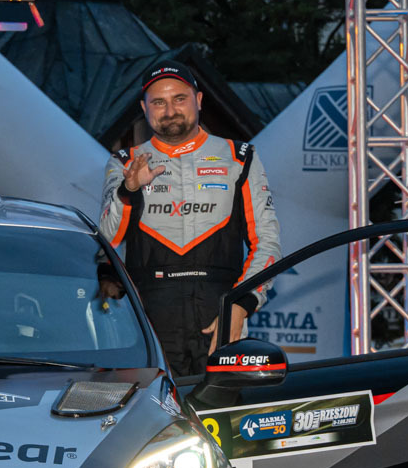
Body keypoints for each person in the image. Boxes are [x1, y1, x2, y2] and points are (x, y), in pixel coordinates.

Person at [99, 63, 279, 377]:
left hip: (220, 307)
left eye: (179, 99)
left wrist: (241, 305)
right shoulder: (125, 162)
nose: (170, 111)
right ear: (144, 108)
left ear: (198, 99)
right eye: (159, 102)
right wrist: (129, 190)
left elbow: (267, 241)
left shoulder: (240, 157)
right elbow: (106, 241)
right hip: (150, 314)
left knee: (222, 405)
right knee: (155, 407)